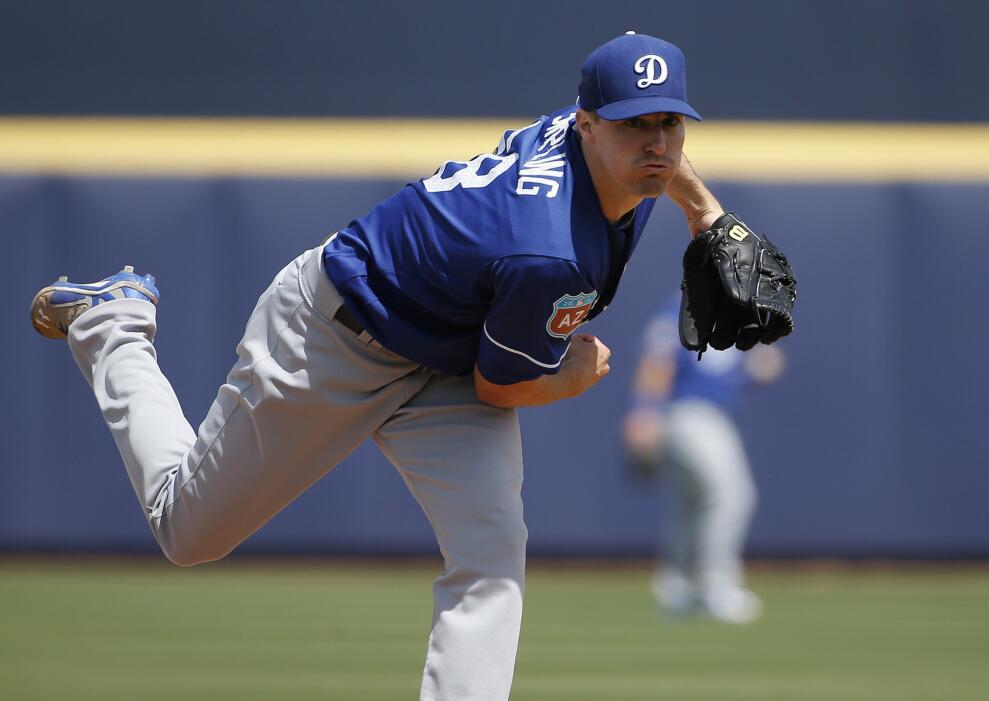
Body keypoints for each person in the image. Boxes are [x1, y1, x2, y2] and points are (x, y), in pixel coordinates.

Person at [28, 32, 733, 700]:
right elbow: (504, 382)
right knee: (187, 530)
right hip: (337, 334)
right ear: (585, 125)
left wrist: (706, 214)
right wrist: (574, 378)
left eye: (671, 122)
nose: (658, 144)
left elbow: (657, 156)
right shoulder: (548, 249)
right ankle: (113, 322)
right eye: (635, 126)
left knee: (491, 556)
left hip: (451, 354)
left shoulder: (607, 150)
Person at [623, 294, 785, 624]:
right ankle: (716, 585)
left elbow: (747, 364)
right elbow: (657, 360)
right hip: (689, 413)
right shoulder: (687, 306)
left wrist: (758, 365)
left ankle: (677, 588)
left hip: (711, 414)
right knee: (731, 495)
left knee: (691, 501)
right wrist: (644, 411)